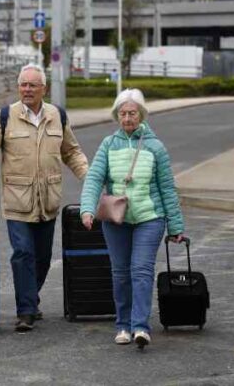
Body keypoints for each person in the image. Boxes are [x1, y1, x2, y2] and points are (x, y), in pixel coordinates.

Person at [0, 63, 89, 332]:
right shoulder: (4, 117)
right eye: (23, 84)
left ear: (43, 89)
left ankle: (30, 297)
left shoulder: (57, 116)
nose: (26, 89)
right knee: (23, 252)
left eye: (32, 85)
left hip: (48, 201)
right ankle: (25, 310)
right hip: (17, 201)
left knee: (43, 258)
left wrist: (91, 178)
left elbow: (72, 152)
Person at [79, 88, 185, 349]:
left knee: (141, 271)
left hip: (150, 217)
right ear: (117, 116)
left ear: (142, 115)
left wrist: (176, 225)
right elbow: (94, 179)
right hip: (116, 220)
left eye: (132, 113)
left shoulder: (155, 146)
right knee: (120, 273)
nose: (127, 118)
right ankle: (122, 325)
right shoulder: (108, 144)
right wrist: (87, 209)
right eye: (123, 113)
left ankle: (140, 326)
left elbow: (168, 188)